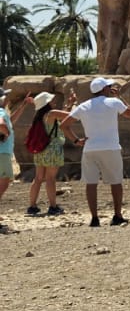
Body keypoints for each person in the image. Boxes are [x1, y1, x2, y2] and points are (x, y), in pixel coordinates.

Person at [67, 77, 130, 227]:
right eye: (109, 86)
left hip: (90, 148)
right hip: (111, 147)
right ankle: (117, 215)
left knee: (91, 183)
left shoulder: (84, 106)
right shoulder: (114, 102)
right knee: (116, 182)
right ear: (105, 89)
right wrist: (120, 97)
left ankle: (94, 218)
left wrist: (76, 140)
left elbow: (64, 125)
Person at [13, 89, 82, 218]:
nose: (53, 102)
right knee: (50, 178)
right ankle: (53, 207)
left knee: (38, 178)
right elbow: (71, 116)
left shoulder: (39, 116)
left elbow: (62, 117)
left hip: (41, 150)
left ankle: (32, 206)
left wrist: (69, 104)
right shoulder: (51, 113)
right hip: (52, 149)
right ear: (46, 103)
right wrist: (74, 103)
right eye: (51, 100)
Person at [0, 91, 16, 232]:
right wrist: (7, 132)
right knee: (4, 183)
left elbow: (10, 121)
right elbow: (2, 124)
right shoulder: (0, 112)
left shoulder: (4, 113)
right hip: (2, 153)